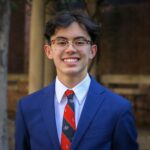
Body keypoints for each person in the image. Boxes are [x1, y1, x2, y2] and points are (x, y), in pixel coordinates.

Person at [15, 10, 139, 150]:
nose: (70, 49)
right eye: (61, 42)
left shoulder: (118, 109)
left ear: (92, 51)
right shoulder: (27, 108)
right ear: (49, 51)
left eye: (79, 42)